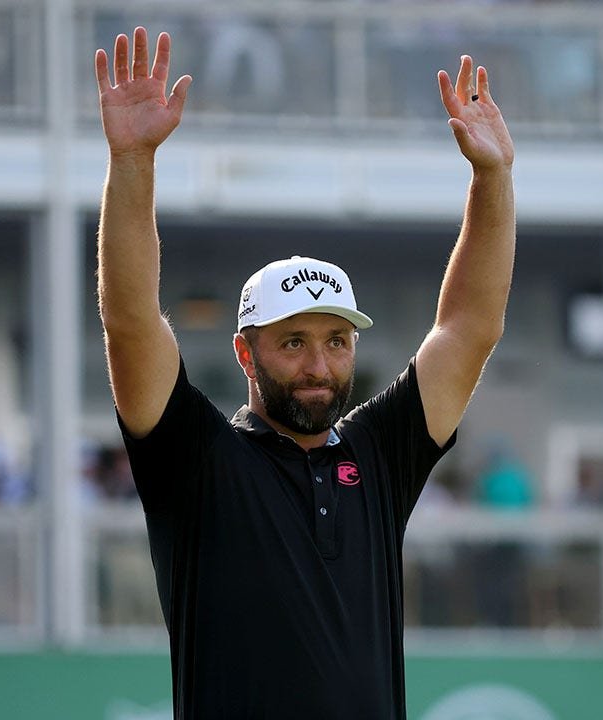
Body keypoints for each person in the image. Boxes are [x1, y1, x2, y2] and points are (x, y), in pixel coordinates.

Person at [94, 27, 515, 718]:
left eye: (336, 341)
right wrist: (133, 160)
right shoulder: (197, 460)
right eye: (293, 342)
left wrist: (493, 178)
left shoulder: (377, 456)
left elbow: (470, 328)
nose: (319, 365)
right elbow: (131, 320)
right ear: (245, 354)